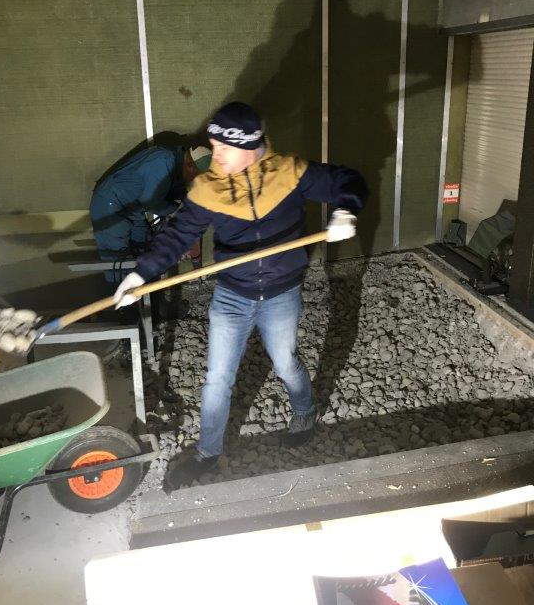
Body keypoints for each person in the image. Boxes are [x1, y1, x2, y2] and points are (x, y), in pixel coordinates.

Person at [114, 102, 368, 489]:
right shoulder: (209, 188)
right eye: (214, 146)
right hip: (232, 295)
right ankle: (207, 453)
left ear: (248, 146)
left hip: (281, 293)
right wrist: (140, 275)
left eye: (222, 148)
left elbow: (348, 180)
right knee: (217, 378)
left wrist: (346, 211)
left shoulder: (289, 173)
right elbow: (177, 235)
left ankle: (305, 411)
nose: (214, 155)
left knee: (286, 363)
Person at [90, 141, 211, 281]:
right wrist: (175, 210)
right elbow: (151, 202)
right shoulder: (162, 162)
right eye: (197, 177)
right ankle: (123, 292)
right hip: (111, 206)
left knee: (145, 247)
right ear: (190, 166)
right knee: (120, 261)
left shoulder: (175, 165)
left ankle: (148, 289)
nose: (195, 181)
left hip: (133, 209)